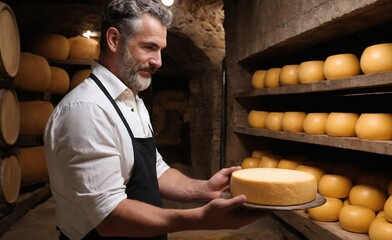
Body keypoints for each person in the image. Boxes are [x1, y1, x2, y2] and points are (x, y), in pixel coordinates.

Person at [44, 0, 269, 239]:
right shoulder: (87, 110)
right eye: (149, 47)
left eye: (160, 49)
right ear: (113, 40)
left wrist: (205, 189)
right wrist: (201, 218)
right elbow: (109, 218)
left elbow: (154, 169)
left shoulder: (133, 100)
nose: (158, 61)